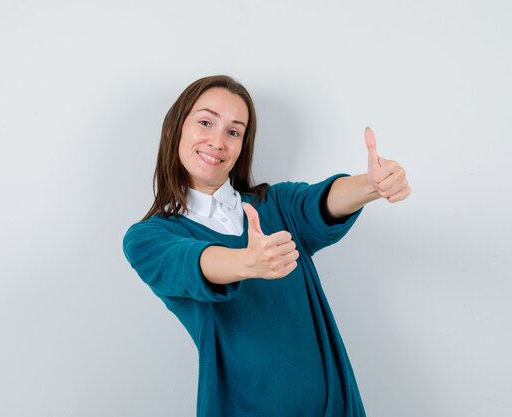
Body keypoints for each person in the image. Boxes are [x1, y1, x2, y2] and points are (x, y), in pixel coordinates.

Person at [122, 75, 410, 417]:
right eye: (205, 122)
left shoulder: (276, 204)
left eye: (234, 131)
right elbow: (193, 262)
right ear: (174, 130)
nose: (218, 141)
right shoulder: (149, 238)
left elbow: (322, 200)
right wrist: (248, 261)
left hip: (335, 407)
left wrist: (372, 185)